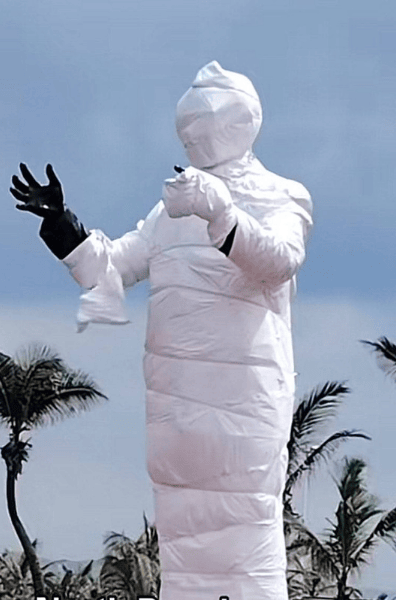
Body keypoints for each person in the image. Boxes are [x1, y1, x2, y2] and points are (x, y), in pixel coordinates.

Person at [10, 60, 312, 599]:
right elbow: (112, 269)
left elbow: (281, 260)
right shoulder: (168, 211)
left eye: (203, 129)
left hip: (243, 411)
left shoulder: (279, 195)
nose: (193, 141)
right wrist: (61, 223)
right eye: (187, 132)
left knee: (247, 543)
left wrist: (220, 210)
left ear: (237, 125)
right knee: (183, 554)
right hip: (177, 419)